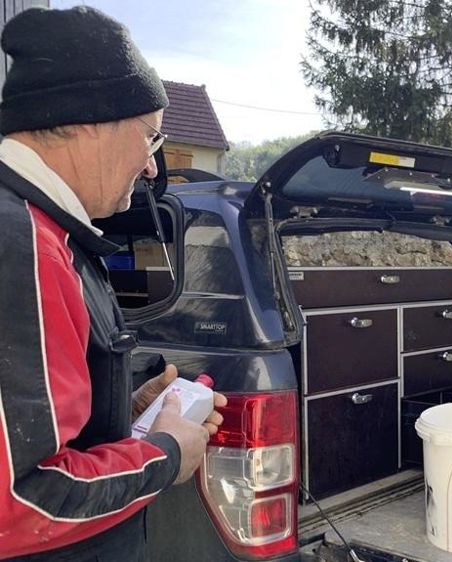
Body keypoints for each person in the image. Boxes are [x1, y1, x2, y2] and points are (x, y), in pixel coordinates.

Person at [0, 6, 226, 561]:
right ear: (87, 121)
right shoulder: (23, 245)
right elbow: (22, 501)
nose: (152, 167)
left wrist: (122, 413)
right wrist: (165, 451)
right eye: (150, 138)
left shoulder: (48, 234)